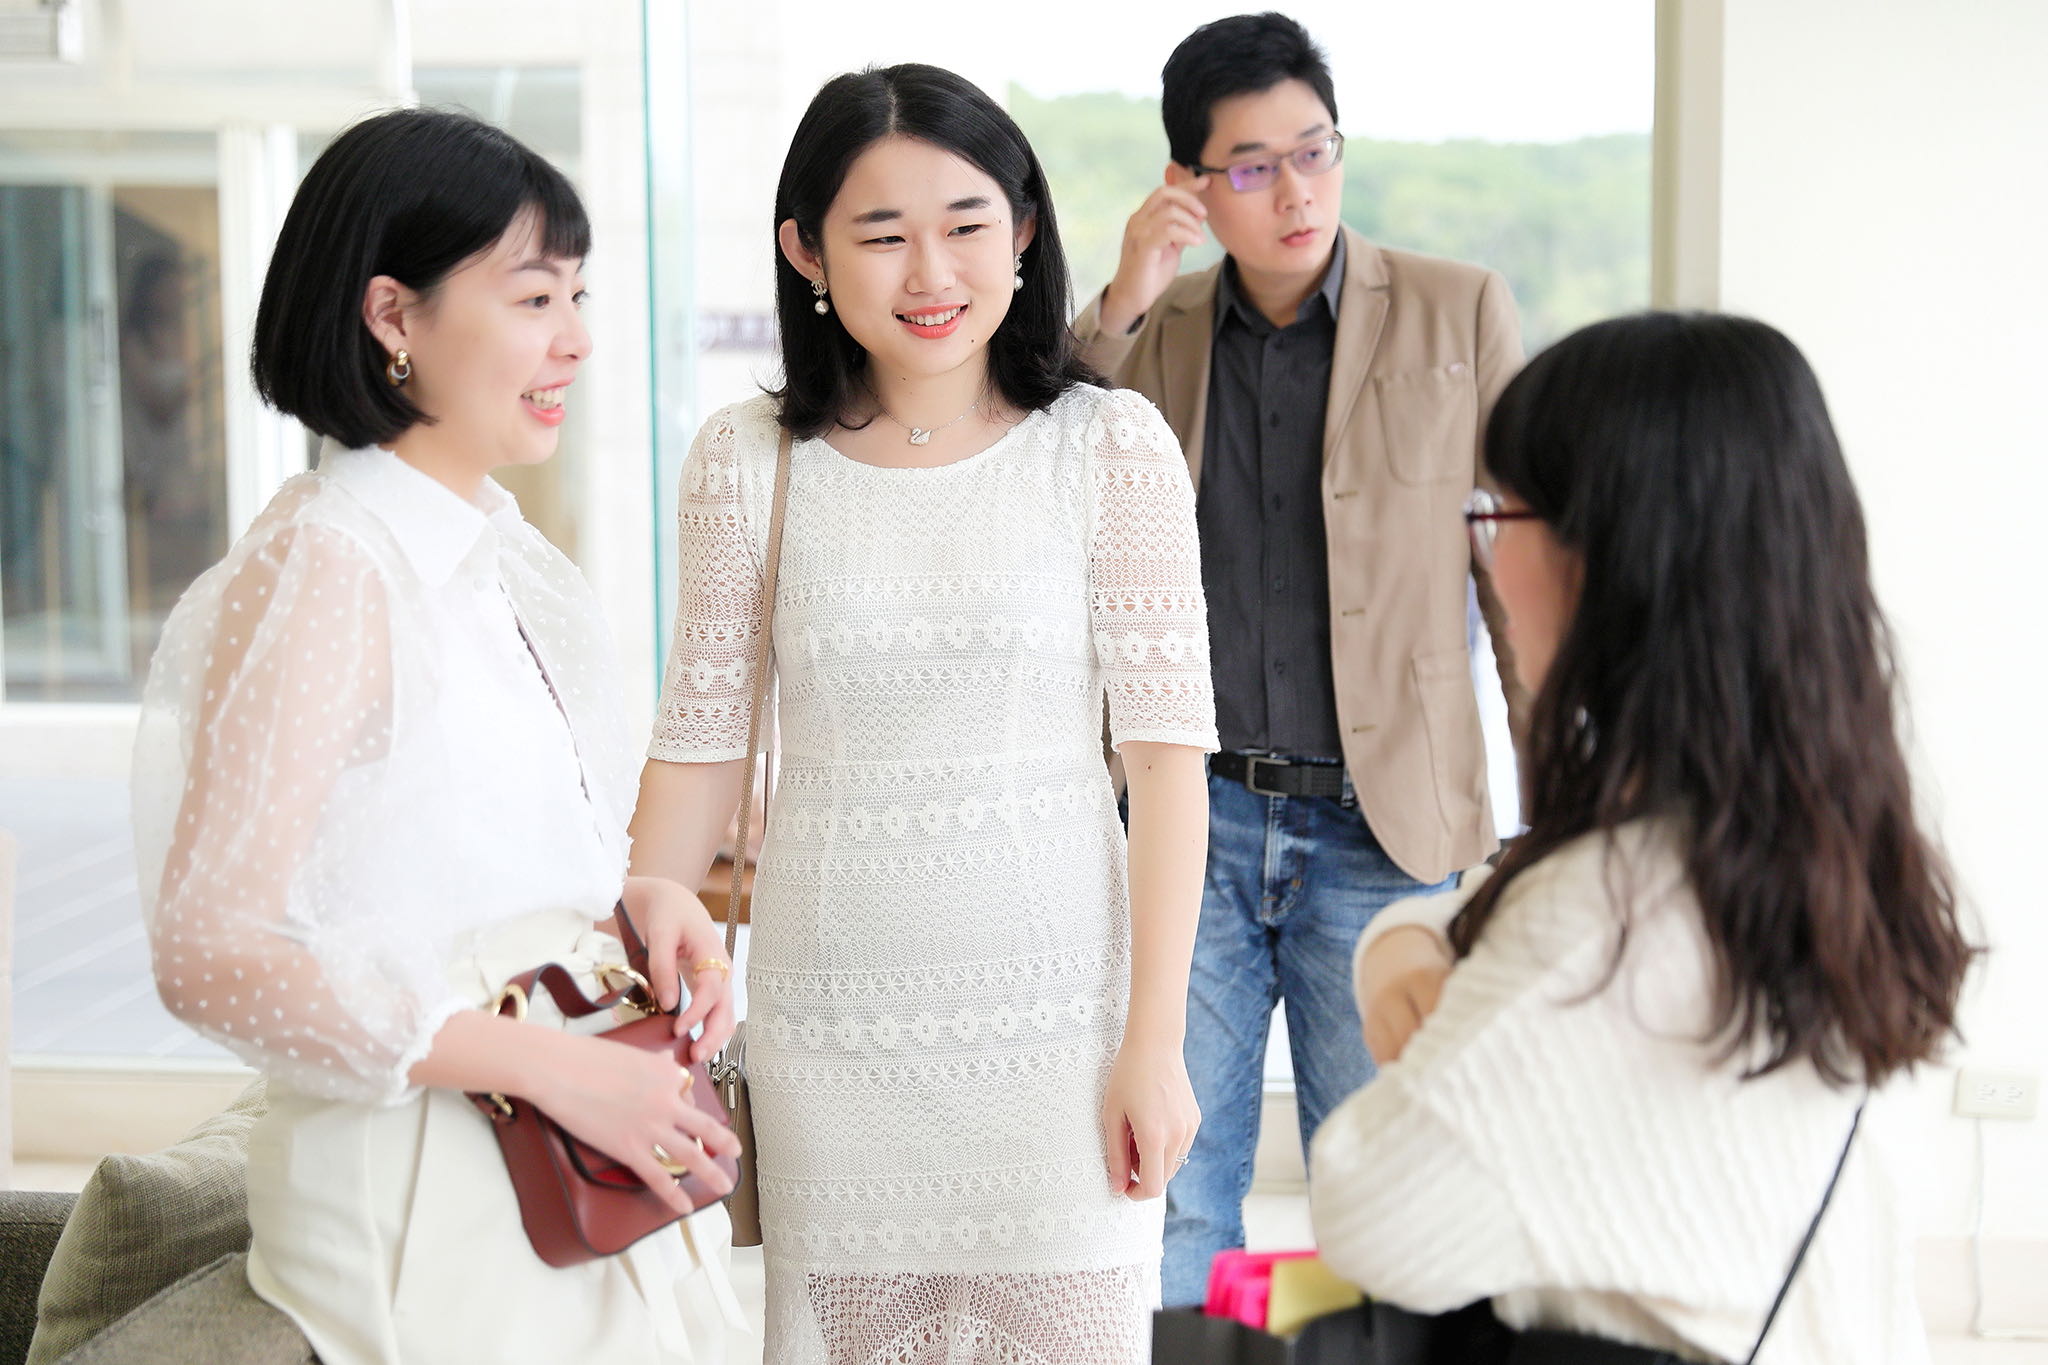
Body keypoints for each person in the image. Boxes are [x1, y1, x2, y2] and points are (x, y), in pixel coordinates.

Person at [132, 107, 745, 1365]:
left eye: (576, 295)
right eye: (532, 298)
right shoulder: (327, 569)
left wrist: (632, 909)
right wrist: (549, 1067)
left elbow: (434, 866)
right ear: (391, 316)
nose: (574, 339)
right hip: (430, 1209)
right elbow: (211, 952)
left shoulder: (481, 556)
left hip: (545, 1172)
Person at [628, 63, 1217, 1364]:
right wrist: (623, 1008)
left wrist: (1155, 1042)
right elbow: (699, 747)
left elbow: (1169, 768)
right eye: (882, 235)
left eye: (965, 225)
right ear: (807, 252)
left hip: (1066, 1035)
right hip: (831, 1036)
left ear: (1023, 231)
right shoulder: (745, 460)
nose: (931, 272)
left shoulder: (1109, 447)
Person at [1308, 312, 1974, 1362]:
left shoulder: (1605, 912)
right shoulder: (1819, 847)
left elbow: (1371, 1216)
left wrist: (1408, 953)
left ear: (1612, 560)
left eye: (1499, 516)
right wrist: (1407, 938)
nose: (1488, 563)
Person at [1069, 11, 1529, 1304]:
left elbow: (1518, 571)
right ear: (1190, 184)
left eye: (1315, 150)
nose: (1296, 191)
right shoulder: (1153, 332)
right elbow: (1040, 459)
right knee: (1170, 1188)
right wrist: (1122, 294)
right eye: (1253, 165)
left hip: (1388, 830)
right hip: (1194, 828)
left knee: (1389, 1201)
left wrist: (1561, 809)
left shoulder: (1455, 309)